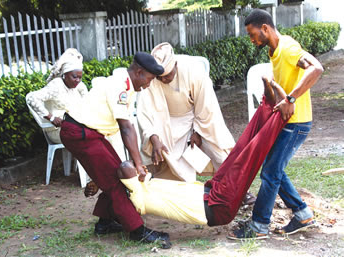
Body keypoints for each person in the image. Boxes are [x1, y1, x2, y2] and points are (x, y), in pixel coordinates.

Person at [84, 77, 288, 229]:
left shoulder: (139, 186)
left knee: (239, 152)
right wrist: (133, 170)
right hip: (216, 208)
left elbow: (121, 174)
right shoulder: (137, 198)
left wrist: (105, 181)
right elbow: (124, 168)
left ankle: (267, 105)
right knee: (248, 158)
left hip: (210, 193)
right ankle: (280, 115)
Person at [228, 9, 323, 239]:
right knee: (273, 169)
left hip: (297, 123)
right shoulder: (274, 51)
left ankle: (259, 226)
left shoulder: (288, 48)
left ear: (265, 28)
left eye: (252, 34)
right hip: (286, 122)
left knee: (270, 171)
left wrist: (291, 98)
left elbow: (316, 68)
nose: (251, 40)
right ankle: (302, 214)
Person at [60, 52, 170, 245]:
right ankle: (138, 231)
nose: (149, 84)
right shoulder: (120, 86)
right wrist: (138, 165)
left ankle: (104, 223)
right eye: (149, 79)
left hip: (90, 133)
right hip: (80, 133)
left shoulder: (128, 85)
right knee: (115, 182)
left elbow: (124, 128)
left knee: (115, 174)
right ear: (139, 72)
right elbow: (126, 128)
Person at [137, 42, 235, 182]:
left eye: (167, 75)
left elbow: (206, 106)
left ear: (175, 65)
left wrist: (197, 131)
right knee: (164, 154)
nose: (163, 80)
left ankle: (234, 188)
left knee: (219, 151)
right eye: (160, 77)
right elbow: (145, 113)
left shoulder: (193, 69)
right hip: (166, 123)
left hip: (197, 119)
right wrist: (154, 137)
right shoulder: (151, 76)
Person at [26, 48, 88, 144]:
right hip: (58, 130)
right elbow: (32, 98)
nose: (78, 80)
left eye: (80, 77)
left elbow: (87, 103)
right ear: (64, 75)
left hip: (76, 126)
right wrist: (51, 117)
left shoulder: (79, 86)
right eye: (74, 77)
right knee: (88, 136)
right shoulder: (56, 86)